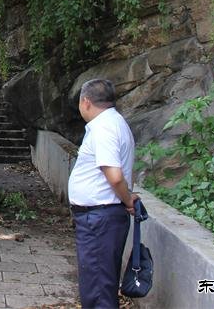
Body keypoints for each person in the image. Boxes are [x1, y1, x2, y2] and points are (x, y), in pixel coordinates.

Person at [67, 79, 137, 309]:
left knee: (98, 291)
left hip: (99, 218)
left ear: (86, 102)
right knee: (99, 284)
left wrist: (128, 200)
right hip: (101, 218)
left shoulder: (104, 128)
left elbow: (114, 176)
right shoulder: (114, 123)